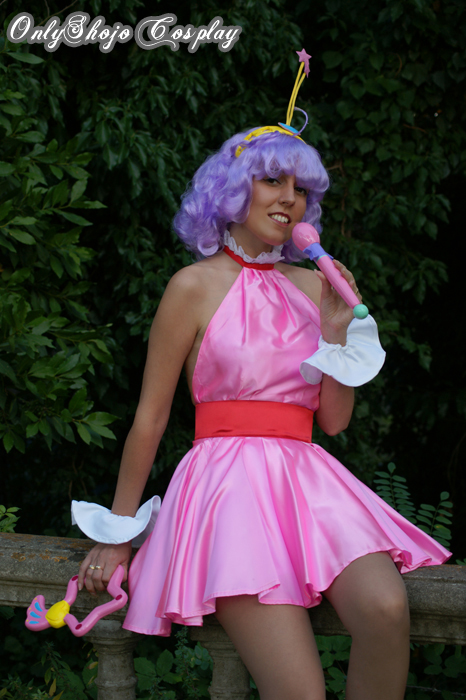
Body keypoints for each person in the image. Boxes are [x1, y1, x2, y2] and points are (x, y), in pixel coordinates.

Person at [73, 54, 450, 700]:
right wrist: (118, 534)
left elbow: (333, 421)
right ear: (232, 190)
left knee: (387, 611)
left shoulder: (313, 287)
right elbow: (151, 418)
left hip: (310, 484)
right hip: (228, 493)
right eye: (273, 181)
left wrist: (334, 331)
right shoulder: (191, 287)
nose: (289, 198)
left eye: (300, 188)